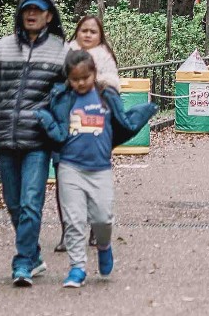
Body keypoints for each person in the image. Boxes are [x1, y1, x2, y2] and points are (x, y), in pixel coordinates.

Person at [37, 48, 157, 287]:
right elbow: (53, 125)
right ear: (68, 78)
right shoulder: (62, 98)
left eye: (85, 77)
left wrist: (143, 112)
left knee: (103, 218)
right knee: (73, 221)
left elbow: (122, 122)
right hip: (69, 166)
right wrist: (45, 119)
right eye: (75, 79)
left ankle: (104, 245)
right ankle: (77, 268)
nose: (81, 83)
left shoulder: (105, 96)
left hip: (100, 168)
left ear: (94, 73)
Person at [0, 0, 69, 286]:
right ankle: (33, 255)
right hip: (5, 136)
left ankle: (21, 263)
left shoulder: (61, 51)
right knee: (14, 203)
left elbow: (68, 94)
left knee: (31, 202)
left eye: (38, 10)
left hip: (38, 141)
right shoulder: (2, 47)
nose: (31, 14)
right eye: (26, 9)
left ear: (49, 16)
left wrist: (54, 126)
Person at [71, 13, 121, 89]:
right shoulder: (65, 52)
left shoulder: (105, 57)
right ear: (77, 33)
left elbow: (112, 84)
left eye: (93, 32)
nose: (88, 35)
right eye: (84, 31)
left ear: (100, 36)